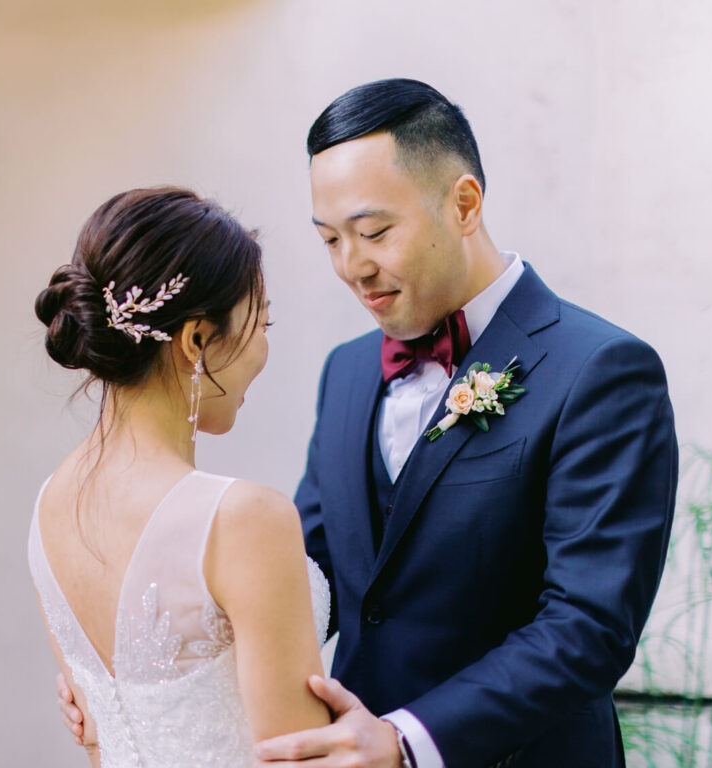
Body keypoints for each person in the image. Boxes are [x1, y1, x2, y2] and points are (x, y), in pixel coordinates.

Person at [59, 80, 678, 768]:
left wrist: (409, 740)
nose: (352, 266)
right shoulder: (349, 371)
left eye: (374, 232)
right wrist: (148, 673)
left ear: (464, 204)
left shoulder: (600, 369)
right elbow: (304, 575)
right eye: (329, 240)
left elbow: (588, 626)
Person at [30, 186, 332, 768]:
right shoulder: (244, 520)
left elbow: (99, 741)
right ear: (196, 340)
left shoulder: (50, 506)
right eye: (261, 323)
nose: (264, 347)